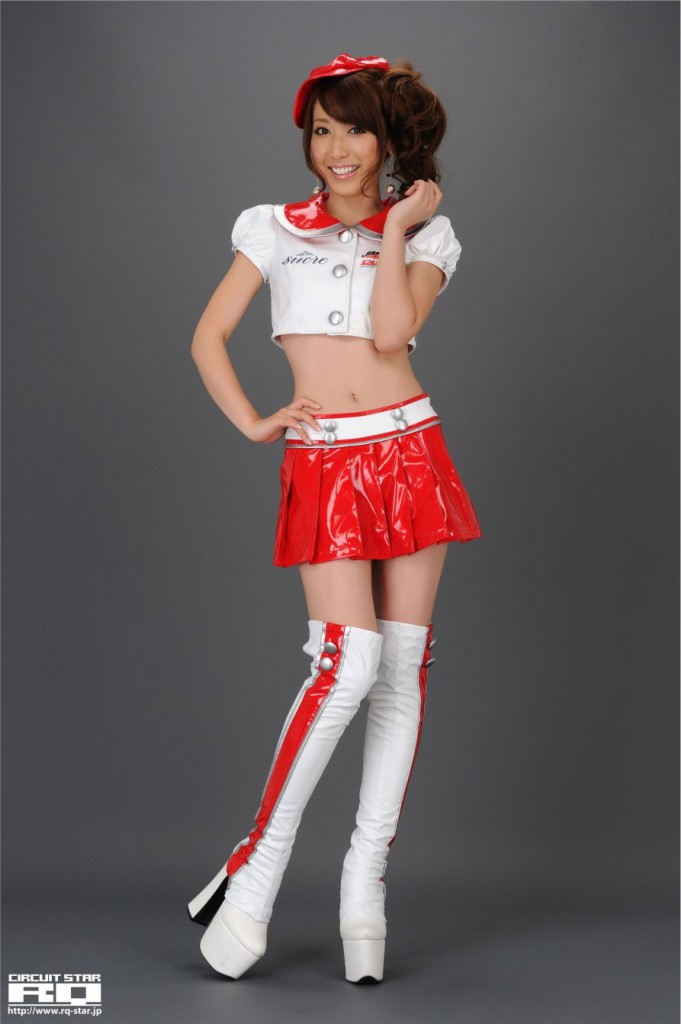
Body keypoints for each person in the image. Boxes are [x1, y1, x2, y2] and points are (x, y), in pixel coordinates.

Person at [187, 52, 482, 984]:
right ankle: (257, 867)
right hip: (326, 459)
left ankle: (365, 888)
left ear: (389, 140)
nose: (337, 148)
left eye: (356, 128)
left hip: (410, 451)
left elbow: (392, 335)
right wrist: (254, 420)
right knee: (344, 663)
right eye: (321, 130)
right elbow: (208, 335)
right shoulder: (270, 228)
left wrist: (394, 229)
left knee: (398, 671)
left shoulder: (428, 238)